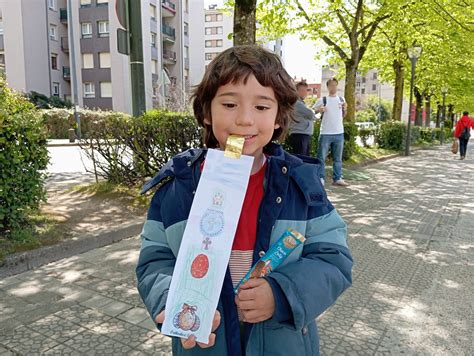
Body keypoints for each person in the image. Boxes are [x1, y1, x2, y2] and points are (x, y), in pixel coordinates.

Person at [136, 45, 352, 356]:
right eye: (229, 104)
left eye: (262, 107)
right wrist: (172, 298)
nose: (245, 120)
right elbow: (154, 260)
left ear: (279, 118)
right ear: (207, 113)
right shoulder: (178, 189)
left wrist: (282, 294)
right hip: (203, 343)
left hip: (282, 343)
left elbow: (333, 259)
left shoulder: (300, 187)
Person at [313, 78, 348, 186]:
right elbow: (313, 113)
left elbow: (343, 115)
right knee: (321, 158)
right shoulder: (323, 100)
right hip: (325, 133)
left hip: (339, 132)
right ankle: (321, 178)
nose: (333, 87)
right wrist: (319, 110)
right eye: (331, 85)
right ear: (327, 87)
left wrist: (345, 109)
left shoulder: (342, 99)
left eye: (335, 85)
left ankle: (337, 178)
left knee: (338, 158)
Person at [287, 81, 316, 156]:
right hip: (300, 135)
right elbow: (310, 114)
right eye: (302, 90)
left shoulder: (301, 103)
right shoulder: (297, 103)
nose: (305, 92)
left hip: (303, 135)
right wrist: (313, 111)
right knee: (301, 159)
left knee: (304, 159)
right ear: (296, 91)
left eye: (306, 90)